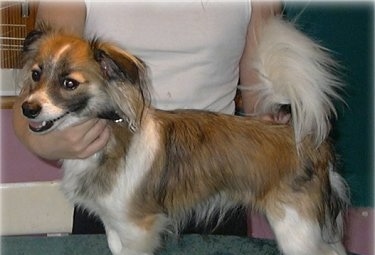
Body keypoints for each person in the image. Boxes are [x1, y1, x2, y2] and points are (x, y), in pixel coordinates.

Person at [13, 0, 284, 234]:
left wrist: (273, 125)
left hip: (213, 183)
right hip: (110, 182)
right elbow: (33, 92)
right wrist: (45, 142)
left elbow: (259, 98)